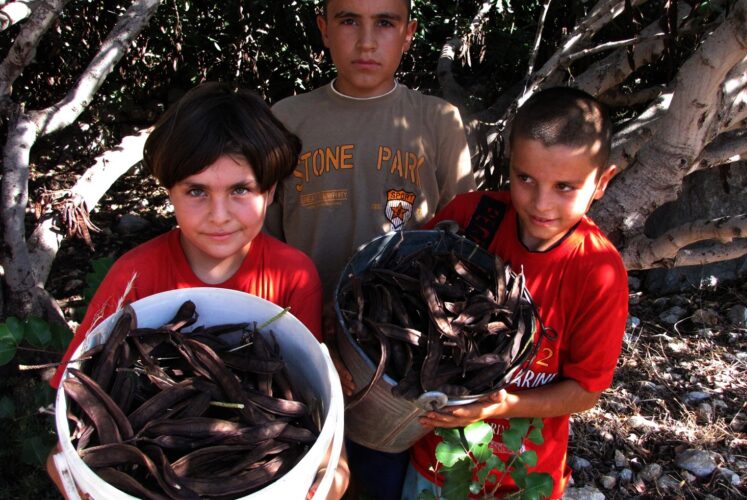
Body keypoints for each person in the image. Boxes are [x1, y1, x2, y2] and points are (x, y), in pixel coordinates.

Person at [47, 82, 349, 499]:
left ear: (272, 191)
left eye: (241, 189)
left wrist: (334, 471)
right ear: (169, 189)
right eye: (196, 191)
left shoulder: (293, 277)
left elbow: (312, 398)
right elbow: (76, 403)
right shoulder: (133, 277)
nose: (219, 215)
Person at [265, 1, 476, 498]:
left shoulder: (437, 121)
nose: (366, 41)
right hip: (302, 342)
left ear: (408, 33)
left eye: (384, 23)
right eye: (347, 20)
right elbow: (265, 240)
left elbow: (458, 247)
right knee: (306, 476)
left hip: (397, 355)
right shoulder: (286, 120)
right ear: (323, 28)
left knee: (379, 476)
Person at [403, 86, 629, 499]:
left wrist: (502, 405)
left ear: (602, 182)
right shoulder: (472, 218)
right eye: (526, 178)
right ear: (510, 165)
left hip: (522, 478)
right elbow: (401, 289)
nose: (541, 204)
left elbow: (585, 391)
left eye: (565, 187)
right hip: (435, 461)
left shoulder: (597, 271)